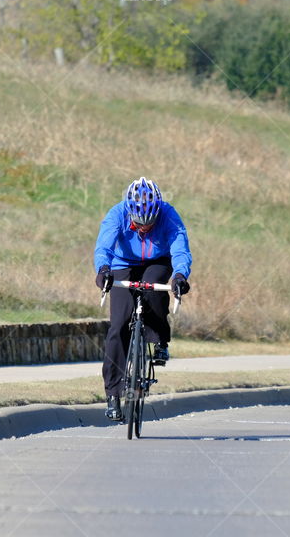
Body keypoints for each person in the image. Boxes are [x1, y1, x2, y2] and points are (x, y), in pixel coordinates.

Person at [94, 177, 192, 421]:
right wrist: (103, 270)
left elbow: (180, 249)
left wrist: (180, 275)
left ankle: (160, 340)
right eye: (139, 224)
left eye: (149, 223)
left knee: (153, 290)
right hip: (122, 263)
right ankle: (113, 395)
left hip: (157, 261)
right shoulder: (117, 213)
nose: (144, 228)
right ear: (130, 212)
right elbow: (103, 247)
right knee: (118, 325)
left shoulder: (168, 214)